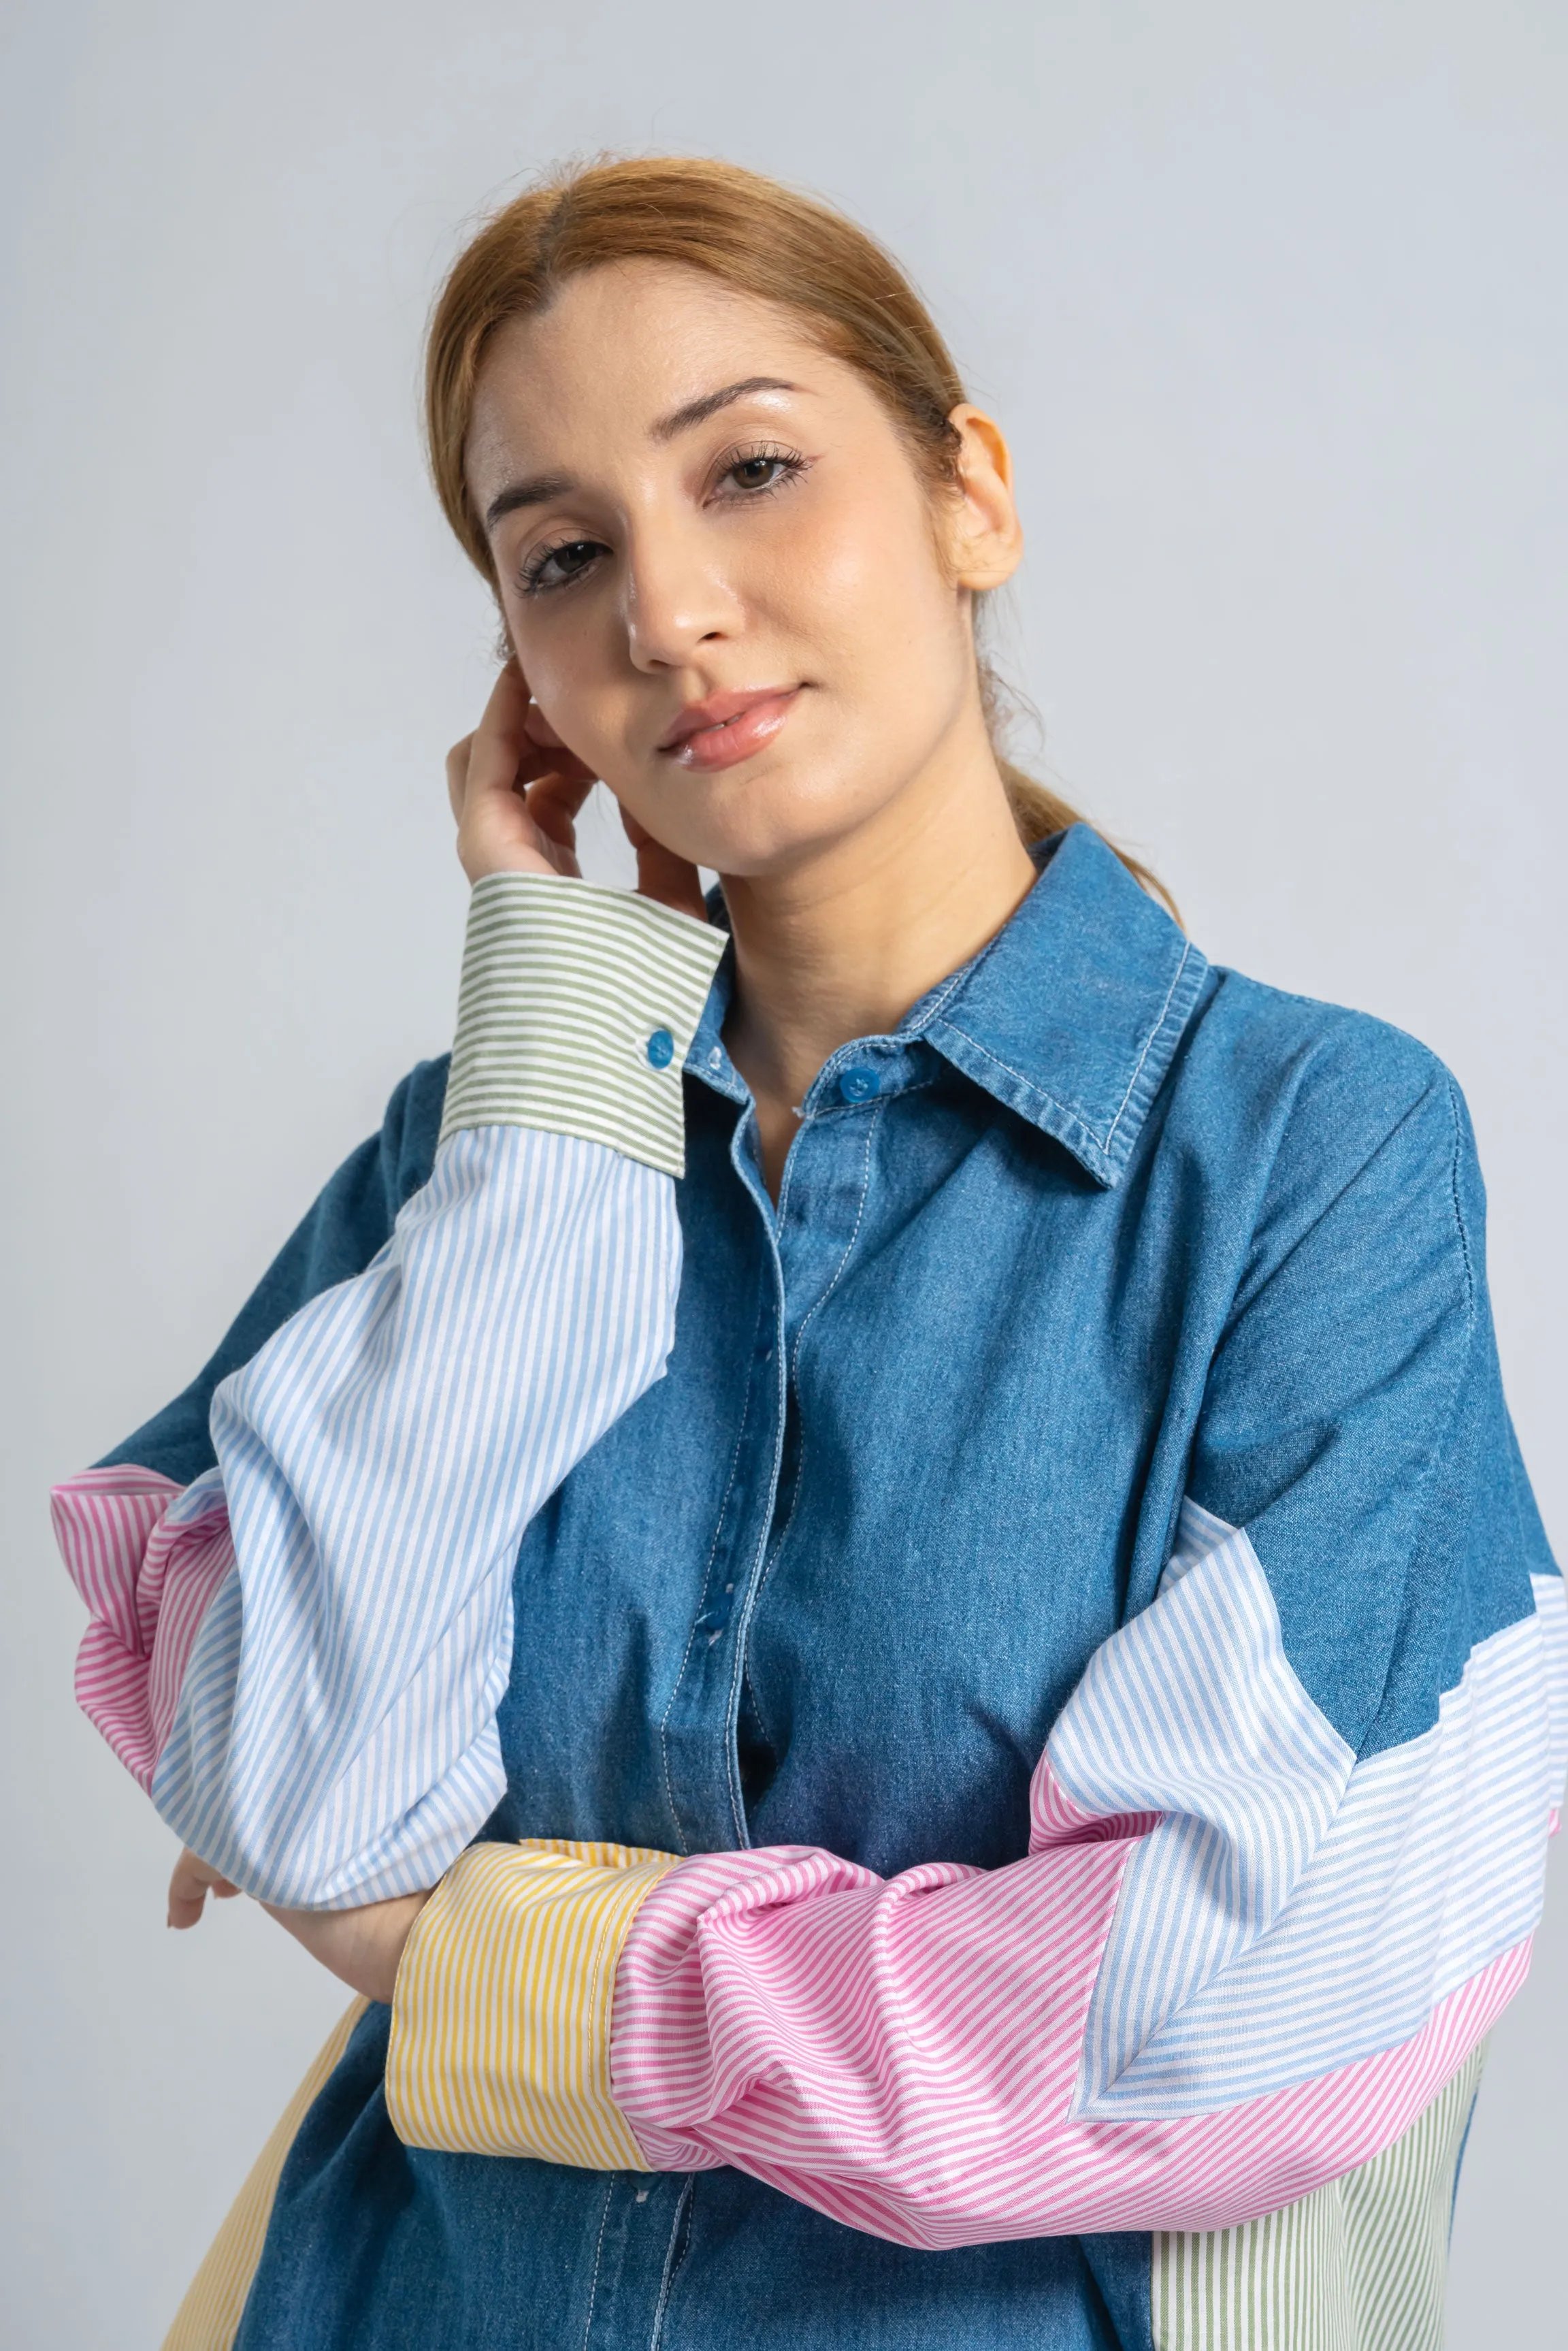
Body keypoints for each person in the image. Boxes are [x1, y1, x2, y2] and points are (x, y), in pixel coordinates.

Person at [52, 156, 1565, 2351]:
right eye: (564, 555)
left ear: (973, 497)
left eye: (751, 469)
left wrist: (500, 1960)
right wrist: (566, 1059)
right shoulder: (476, 1160)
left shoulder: (1312, 1155)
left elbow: (1231, 1991)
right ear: (521, 671)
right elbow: (300, 1785)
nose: (666, 613)